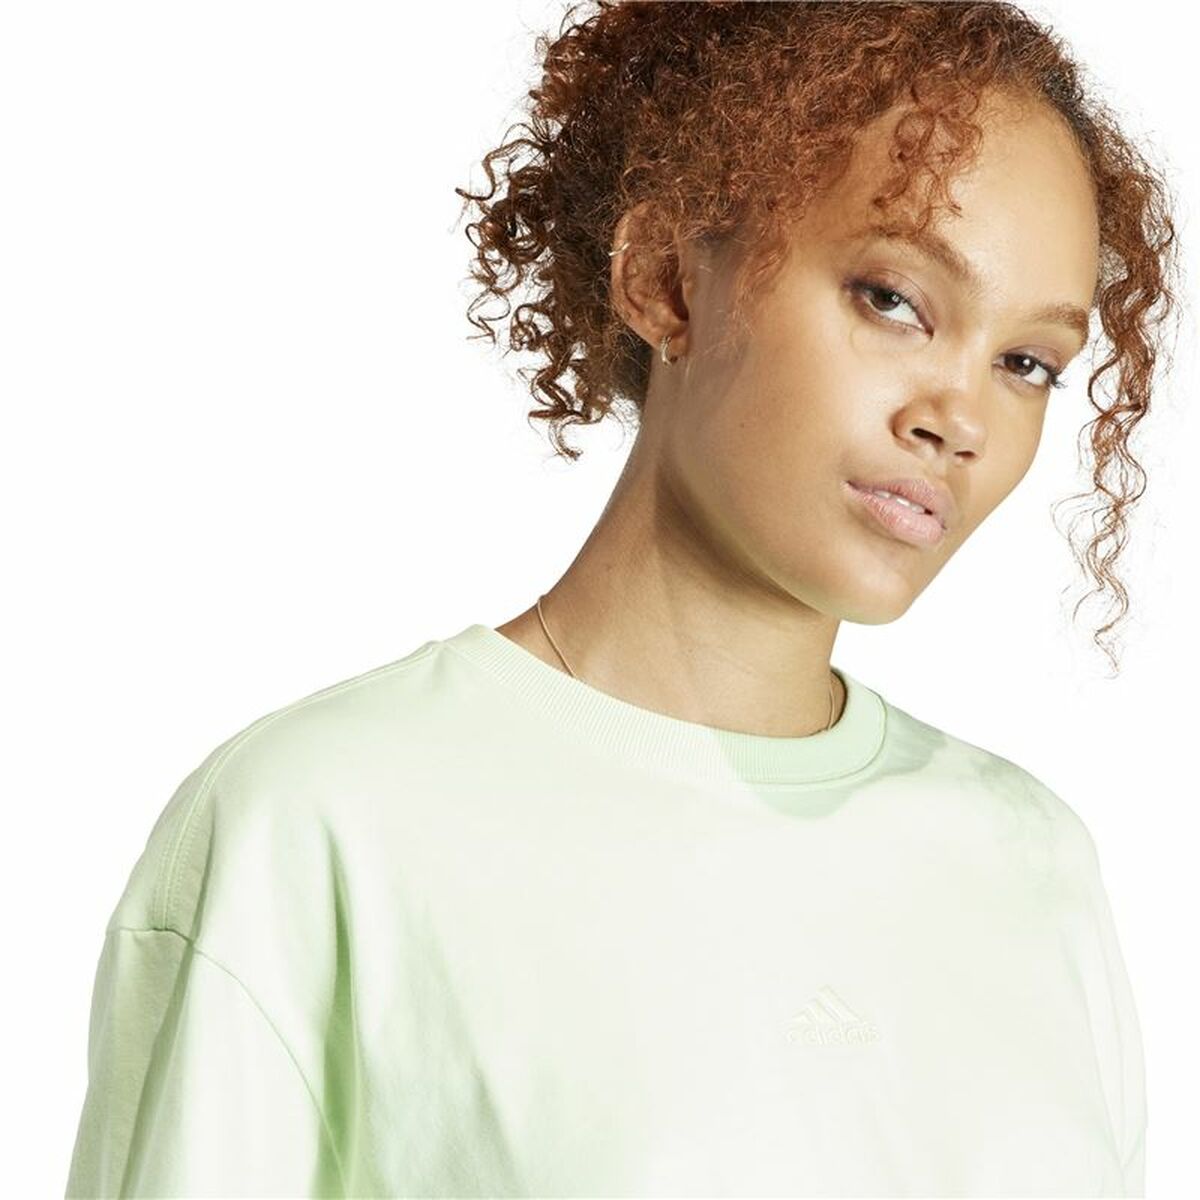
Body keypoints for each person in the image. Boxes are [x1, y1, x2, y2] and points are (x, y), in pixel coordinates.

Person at [66, 2, 1180, 1196]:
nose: (959, 418)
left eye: (1026, 364)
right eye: (892, 299)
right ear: (665, 282)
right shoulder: (325, 824)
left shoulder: (1030, 864)